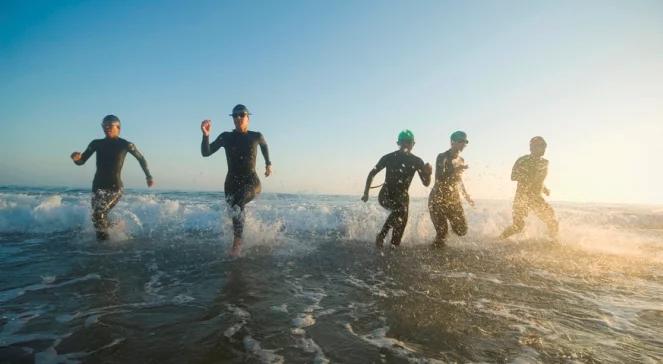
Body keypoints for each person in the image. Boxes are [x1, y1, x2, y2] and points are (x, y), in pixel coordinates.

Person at [200, 104, 272, 257]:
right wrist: (206, 135)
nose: (238, 118)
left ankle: (237, 245)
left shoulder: (256, 136)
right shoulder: (226, 137)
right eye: (235, 115)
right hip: (231, 182)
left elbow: (265, 146)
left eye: (241, 114)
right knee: (234, 210)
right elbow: (206, 153)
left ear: (248, 117)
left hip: (252, 181)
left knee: (238, 202)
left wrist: (268, 164)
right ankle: (240, 237)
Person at [70, 114, 154, 240]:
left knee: (99, 214)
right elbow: (82, 161)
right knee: (96, 216)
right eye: (104, 125)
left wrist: (149, 176)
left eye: (110, 125)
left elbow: (141, 159)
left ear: (118, 127)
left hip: (115, 187)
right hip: (97, 186)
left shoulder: (126, 144)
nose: (106, 128)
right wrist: (76, 159)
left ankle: (104, 245)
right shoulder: (96, 143)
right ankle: (114, 228)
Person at [361, 130, 432, 247]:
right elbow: (372, 173)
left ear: (413, 144)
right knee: (400, 210)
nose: (406, 145)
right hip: (386, 195)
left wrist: (428, 174)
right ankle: (382, 235)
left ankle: (391, 258)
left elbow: (426, 183)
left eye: (409, 142)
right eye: (403, 142)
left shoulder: (417, 161)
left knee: (396, 239)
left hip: (403, 198)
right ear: (398, 143)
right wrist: (366, 193)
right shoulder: (388, 157)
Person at [499, 136, 559, 240]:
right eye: (540, 146)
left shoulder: (544, 162)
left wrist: (544, 189)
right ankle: (499, 240)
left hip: (536, 198)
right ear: (532, 148)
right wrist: (527, 177)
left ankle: (552, 242)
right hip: (522, 198)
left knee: (552, 221)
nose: (543, 148)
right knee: (518, 226)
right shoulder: (523, 160)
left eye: (544, 146)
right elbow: (513, 176)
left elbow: (539, 180)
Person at [428, 131, 474, 247]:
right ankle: (433, 257)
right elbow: (439, 177)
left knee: (462, 230)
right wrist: (455, 170)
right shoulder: (442, 157)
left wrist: (466, 195)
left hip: (453, 199)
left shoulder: (461, 160)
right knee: (442, 233)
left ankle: (443, 244)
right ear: (452, 142)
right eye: (461, 141)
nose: (463, 144)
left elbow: (459, 180)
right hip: (437, 199)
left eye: (465, 142)